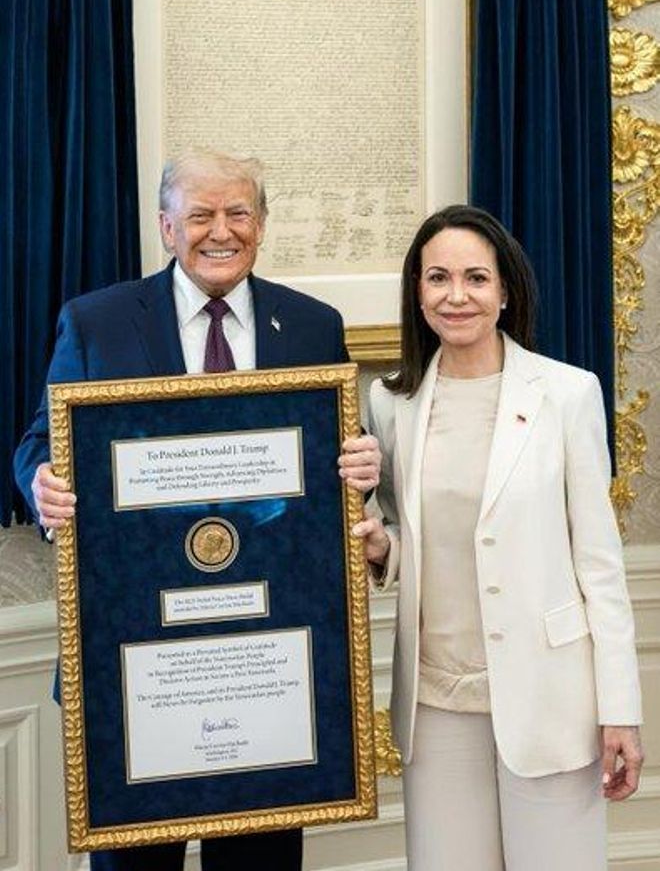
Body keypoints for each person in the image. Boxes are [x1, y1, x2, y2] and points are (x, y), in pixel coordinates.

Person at [13, 149, 380, 871]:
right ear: (166, 226)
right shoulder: (97, 321)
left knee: (261, 857)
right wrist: (42, 481)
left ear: (262, 224)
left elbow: (328, 468)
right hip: (136, 646)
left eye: (239, 212)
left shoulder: (310, 325)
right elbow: (38, 442)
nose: (222, 231)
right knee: (135, 861)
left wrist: (361, 469)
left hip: (268, 648)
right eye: (202, 214)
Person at [352, 205, 644, 871]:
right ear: (417, 292)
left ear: (505, 291)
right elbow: (404, 530)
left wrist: (620, 711)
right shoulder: (391, 403)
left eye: (476, 279)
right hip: (436, 701)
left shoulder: (567, 395)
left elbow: (600, 566)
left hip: (550, 697)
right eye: (438, 278)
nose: (456, 296)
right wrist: (380, 549)